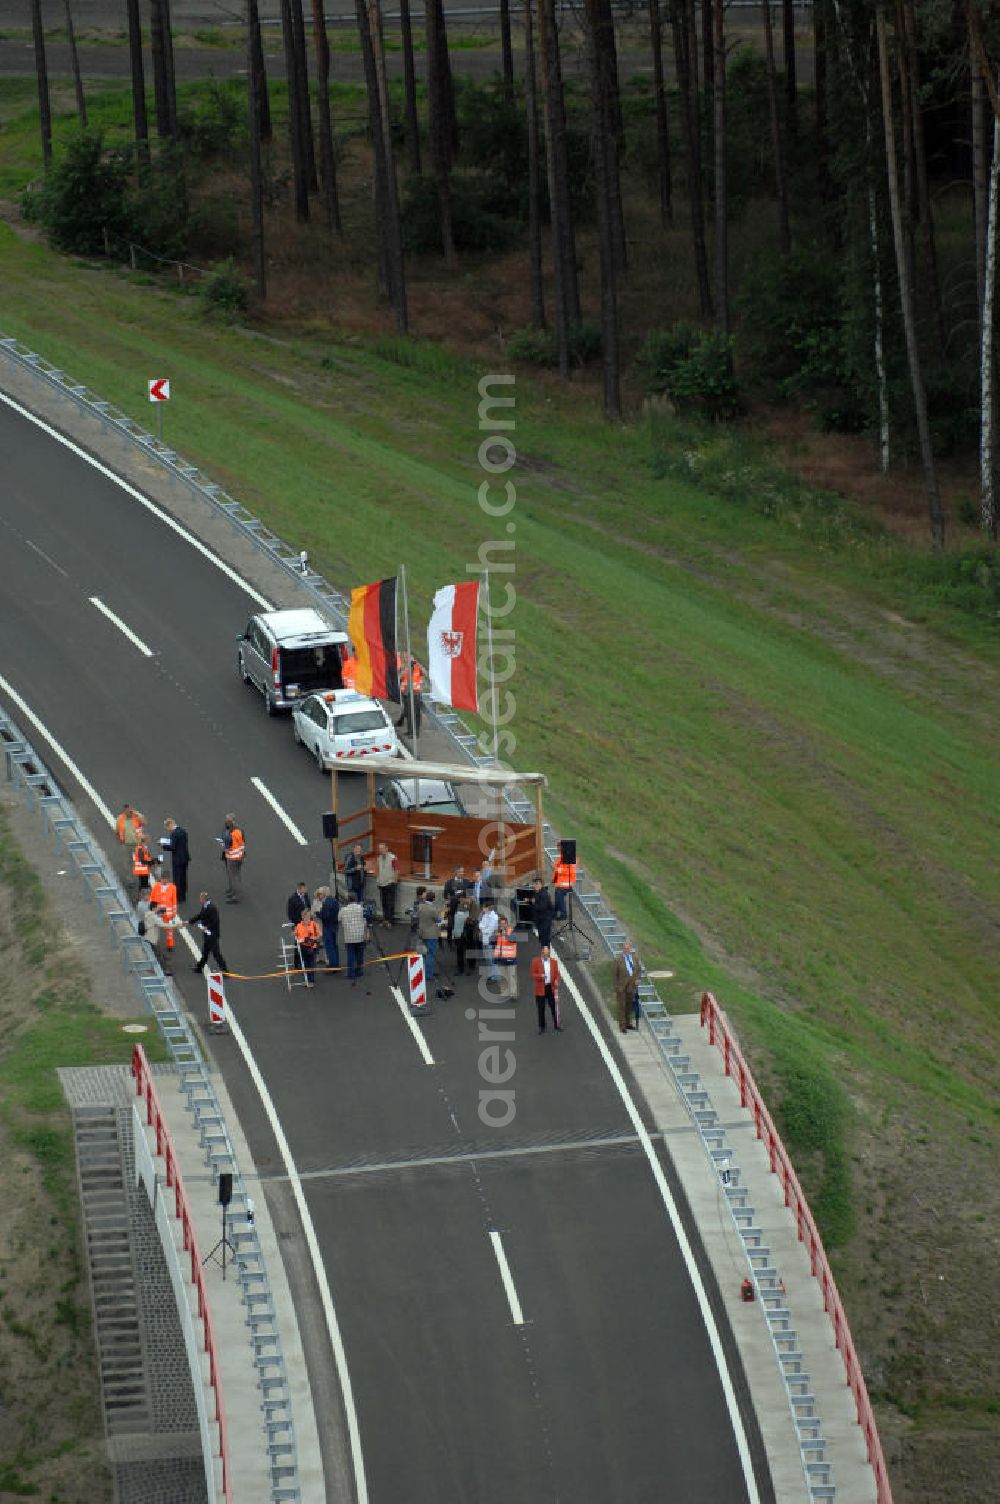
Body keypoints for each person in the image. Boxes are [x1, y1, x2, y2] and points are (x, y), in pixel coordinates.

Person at [187, 892, 229, 974]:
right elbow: (200, 916)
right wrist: (189, 921)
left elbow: (215, 921)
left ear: (203, 899)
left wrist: (207, 927)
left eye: (200, 899)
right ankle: (199, 968)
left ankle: (225, 970)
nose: (199, 900)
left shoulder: (212, 908)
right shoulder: (205, 906)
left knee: (216, 953)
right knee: (205, 952)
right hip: (207, 934)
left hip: (212, 935)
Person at [530, 945, 562, 1033]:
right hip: (540, 988)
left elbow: (557, 974)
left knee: (554, 1007)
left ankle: (557, 1024)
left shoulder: (554, 962)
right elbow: (533, 974)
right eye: (544, 953)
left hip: (550, 988)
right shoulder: (535, 961)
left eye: (547, 954)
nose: (546, 955)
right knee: (541, 1008)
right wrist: (540, 976)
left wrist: (556, 980)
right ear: (541, 953)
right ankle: (542, 1026)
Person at [160, 818, 190, 904]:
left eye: (167, 828)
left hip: (177, 859)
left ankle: (178, 897)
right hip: (185, 857)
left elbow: (173, 847)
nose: (168, 830)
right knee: (183, 877)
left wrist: (163, 846)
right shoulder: (183, 831)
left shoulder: (174, 834)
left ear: (170, 825)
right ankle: (183, 895)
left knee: (177, 878)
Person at [340, 895, 368, 987]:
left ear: (348, 900)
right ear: (356, 899)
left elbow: (339, 918)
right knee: (360, 954)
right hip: (360, 935)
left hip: (349, 937)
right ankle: (359, 971)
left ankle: (351, 973)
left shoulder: (344, 910)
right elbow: (366, 920)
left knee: (350, 955)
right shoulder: (361, 909)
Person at [614, 939, 640, 1033]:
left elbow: (638, 970)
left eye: (628, 948)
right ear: (623, 949)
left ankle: (628, 1023)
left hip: (631, 986)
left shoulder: (635, 959)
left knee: (629, 1006)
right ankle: (622, 1026)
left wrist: (638, 979)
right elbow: (615, 975)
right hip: (622, 987)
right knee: (622, 1006)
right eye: (625, 949)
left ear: (630, 949)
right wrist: (617, 987)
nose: (626, 950)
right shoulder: (618, 960)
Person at [417, 888, 441, 983]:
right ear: (433, 899)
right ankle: (428, 974)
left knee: (423, 954)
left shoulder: (420, 907)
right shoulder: (433, 909)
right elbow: (438, 920)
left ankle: (421, 972)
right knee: (431, 954)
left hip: (422, 933)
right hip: (431, 934)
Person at [221, 814, 245, 903]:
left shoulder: (229, 833)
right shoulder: (239, 830)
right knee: (237, 875)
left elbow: (227, 845)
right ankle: (233, 891)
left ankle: (235, 895)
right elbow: (242, 842)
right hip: (240, 856)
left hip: (232, 857)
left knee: (233, 876)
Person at [295, 909, 322, 987]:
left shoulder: (314, 924)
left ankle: (311, 981)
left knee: (311, 964)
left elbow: (320, 934)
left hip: (312, 947)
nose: (307, 917)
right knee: (305, 964)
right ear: (302, 917)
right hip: (303, 947)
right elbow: (295, 936)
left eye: (309, 916)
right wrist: (301, 939)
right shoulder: (299, 925)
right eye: (305, 916)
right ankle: (306, 980)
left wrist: (314, 939)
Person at [494, 915, 518, 998]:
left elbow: (513, 939)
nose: (503, 925)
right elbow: (496, 945)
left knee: (512, 977)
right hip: (501, 959)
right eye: (501, 924)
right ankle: (504, 992)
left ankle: (513, 994)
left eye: (504, 924)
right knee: (502, 977)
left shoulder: (511, 932)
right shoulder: (498, 933)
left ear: (507, 924)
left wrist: (505, 935)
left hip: (510, 959)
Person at [376, 842, 399, 927]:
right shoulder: (379, 858)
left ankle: (390, 920)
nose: (381, 850)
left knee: (390, 903)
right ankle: (385, 919)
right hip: (382, 883)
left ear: (386, 848)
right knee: (384, 903)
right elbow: (378, 869)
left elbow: (396, 870)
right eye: (379, 849)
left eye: (382, 848)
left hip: (390, 883)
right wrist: (378, 880)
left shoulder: (393, 858)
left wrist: (395, 881)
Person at [443, 865, 468, 945]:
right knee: (450, 926)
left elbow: (469, 895)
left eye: (463, 871)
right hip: (452, 909)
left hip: (462, 909)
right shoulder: (449, 882)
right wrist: (452, 900)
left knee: (462, 926)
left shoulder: (466, 882)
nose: (462, 873)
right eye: (460, 871)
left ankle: (460, 942)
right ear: (456, 872)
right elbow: (445, 895)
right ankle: (449, 942)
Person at [318, 886, 340, 971]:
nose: (320, 895)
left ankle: (332, 966)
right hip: (334, 926)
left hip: (327, 927)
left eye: (320, 893)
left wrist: (318, 914)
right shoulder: (335, 901)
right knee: (334, 946)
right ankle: (336, 964)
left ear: (324, 893)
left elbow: (325, 916)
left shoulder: (326, 903)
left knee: (329, 947)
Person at [478, 898, 499, 982]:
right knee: (487, 958)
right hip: (485, 939)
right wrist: (484, 928)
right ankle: (490, 975)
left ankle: (494, 976)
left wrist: (483, 929)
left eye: (484, 907)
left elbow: (490, 929)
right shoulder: (485, 915)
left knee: (492, 959)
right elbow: (480, 925)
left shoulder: (494, 917)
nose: (483, 909)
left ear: (488, 908)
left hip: (490, 940)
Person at [551, 850, 576, 920]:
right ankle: (555, 913)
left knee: (559, 894)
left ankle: (563, 914)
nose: (558, 850)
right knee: (557, 894)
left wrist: (558, 869)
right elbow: (557, 872)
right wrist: (554, 881)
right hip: (561, 884)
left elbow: (569, 870)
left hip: (567, 884)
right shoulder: (561, 857)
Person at [453, 896, 474, 975]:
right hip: (461, 933)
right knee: (461, 952)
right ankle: (462, 969)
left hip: (466, 933)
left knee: (465, 952)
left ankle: (466, 969)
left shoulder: (471, 907)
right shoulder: (459, 907)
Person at [531, 877, 554, 948]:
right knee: (542, 939)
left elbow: (542, 907)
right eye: (535, 884)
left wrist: (533, 903)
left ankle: (546, 957)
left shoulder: (544, 894)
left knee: (544, 940)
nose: (536, 885)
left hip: (545, 920)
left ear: (541, 885)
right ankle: (545, 954)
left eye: (537, 884)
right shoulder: (537, 892)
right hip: (540, 919)